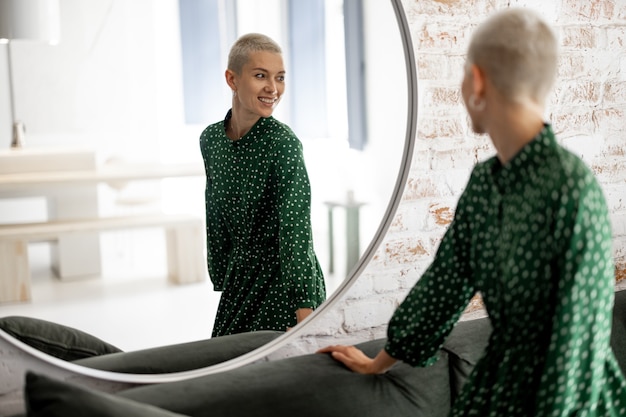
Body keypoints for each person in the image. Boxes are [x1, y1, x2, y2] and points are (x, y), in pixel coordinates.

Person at [318, 7, 626, 416]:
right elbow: (443, 287)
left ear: (477, 80)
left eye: (463, 73)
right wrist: (380, 361)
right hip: (501, 385)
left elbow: (577, 349)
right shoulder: (485, 184)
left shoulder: (571, 188)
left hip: (568, 402)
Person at [200, 33, 326, 337]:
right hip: (239, 278)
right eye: (261, 76)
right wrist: (221, 273)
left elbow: (295, 227)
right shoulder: (211, 139)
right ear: (232, 79)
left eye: (280, 77)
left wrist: (304, 304)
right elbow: (214, 210)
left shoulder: (283, 144)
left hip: (282, 284)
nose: (273, 88)